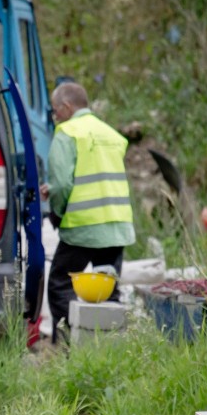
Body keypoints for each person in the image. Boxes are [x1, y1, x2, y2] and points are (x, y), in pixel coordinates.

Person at [38, 82, 135, 344]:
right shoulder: (110, 134)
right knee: (108, 292)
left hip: (83, 226)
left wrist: (56, 215)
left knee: (60, 285)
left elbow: (63, 185)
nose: (54, 116)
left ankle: (71, 347)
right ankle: (109, 348)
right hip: (116, 225)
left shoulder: (67, 133)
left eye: (55, 110)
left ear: (67, 107)